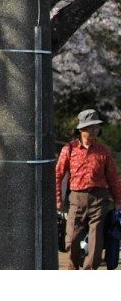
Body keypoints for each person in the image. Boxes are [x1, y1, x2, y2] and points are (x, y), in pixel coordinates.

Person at [55, 109, 121, 269]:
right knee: (71, 239)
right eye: (91, 126)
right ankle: (73, 268)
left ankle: (90, 270)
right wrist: (58, 199)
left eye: (96, 126)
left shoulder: (103, 151)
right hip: (76, 198)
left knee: (96, 243)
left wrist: (118, 201)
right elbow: (58, 174)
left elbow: (113, 178)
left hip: (99, 199)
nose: (95, 130)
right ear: (82, 129)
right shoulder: (69, 149)